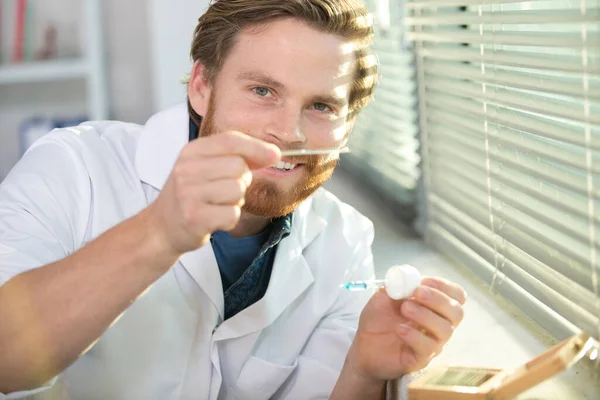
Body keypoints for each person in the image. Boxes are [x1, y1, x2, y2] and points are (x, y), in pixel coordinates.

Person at [0, 0, 466, 399]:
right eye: (262, 91)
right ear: (201, 86)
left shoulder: (345, 245)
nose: (289, 132)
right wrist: (158, 233)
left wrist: (364, 371)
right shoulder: (74, 169)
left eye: (321, 106)